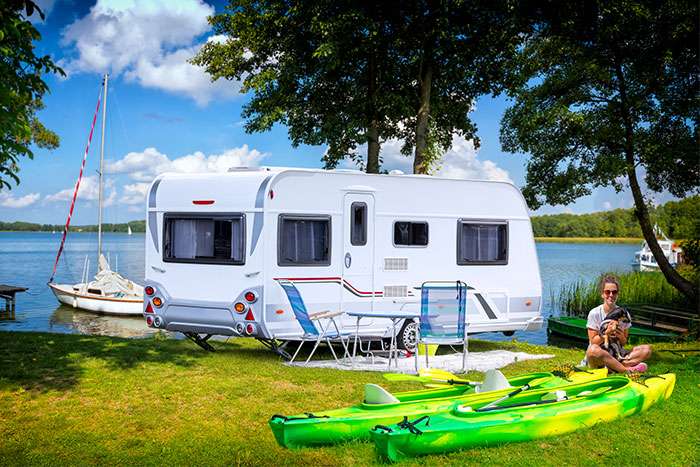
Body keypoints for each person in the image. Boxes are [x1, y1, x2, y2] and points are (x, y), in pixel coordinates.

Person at [585, 274, 651, 373]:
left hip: (617, 353)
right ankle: (625, 370)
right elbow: (593, 342)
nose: (611, 295)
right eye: (607, 292)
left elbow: (624, 342)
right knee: (592, 350)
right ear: (602, 294)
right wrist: (606, 333)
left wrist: (620, 336)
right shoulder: (594, 313)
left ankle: (614, 367)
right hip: (600, 355)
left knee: (647, 350)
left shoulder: (623, 313)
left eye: (614, 292)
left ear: (617, 294)